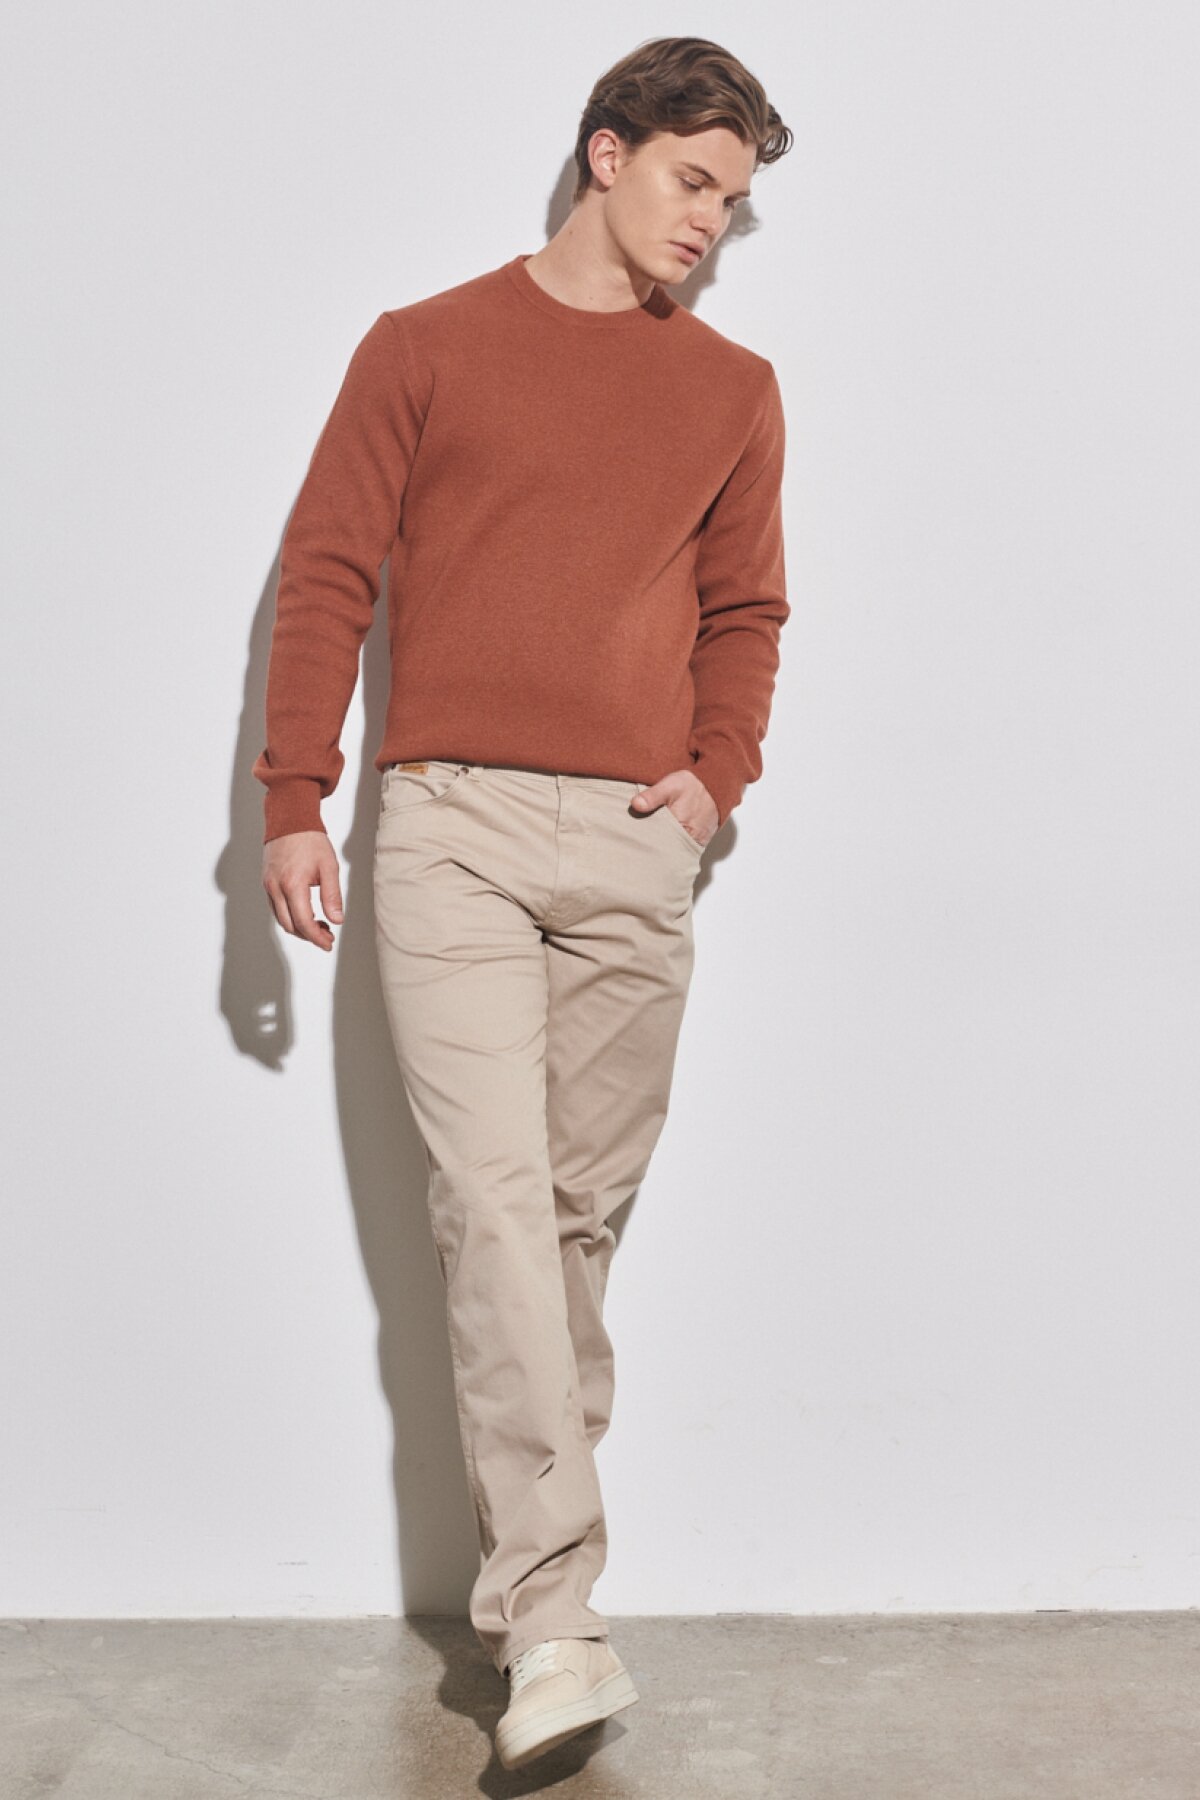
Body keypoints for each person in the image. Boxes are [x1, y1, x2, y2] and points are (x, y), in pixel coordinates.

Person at [253, 33, 792, 1772]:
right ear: (606, 151)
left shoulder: (734, 391)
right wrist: (292, 797)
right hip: (455, 829)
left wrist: (714, 777)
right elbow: (327, 569)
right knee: (492, 1209)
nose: (709, 220)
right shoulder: (424, 347)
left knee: (566, 1231)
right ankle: (558, 1626)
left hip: (637, 843)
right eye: (693, 180)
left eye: (733, 201)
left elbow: (747, 612)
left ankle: (532, 1596)